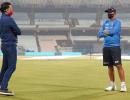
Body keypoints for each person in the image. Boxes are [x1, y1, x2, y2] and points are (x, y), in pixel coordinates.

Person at [97, 7, 127, 92]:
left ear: (114, 13)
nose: (109, 14)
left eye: (110, 12)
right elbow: (99, 34)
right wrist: (106, 33)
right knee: (109, 67)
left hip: (115, 46)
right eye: (108, 12)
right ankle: (112, 85)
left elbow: (114, 31)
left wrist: (104, 32)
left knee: (118, 65)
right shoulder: (105, 22)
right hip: (106, 47)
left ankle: (123, 85)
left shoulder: (118, 22)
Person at [0, 2, 21, 96]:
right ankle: (3, 88)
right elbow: (18, 31)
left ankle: (1, 85)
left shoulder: (1, 19)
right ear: (6, 9)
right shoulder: (9, 19)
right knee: (12, 66)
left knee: (4, 67)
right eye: (11, 8)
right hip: (10, 45)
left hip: (3, 44)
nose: (12, 10)